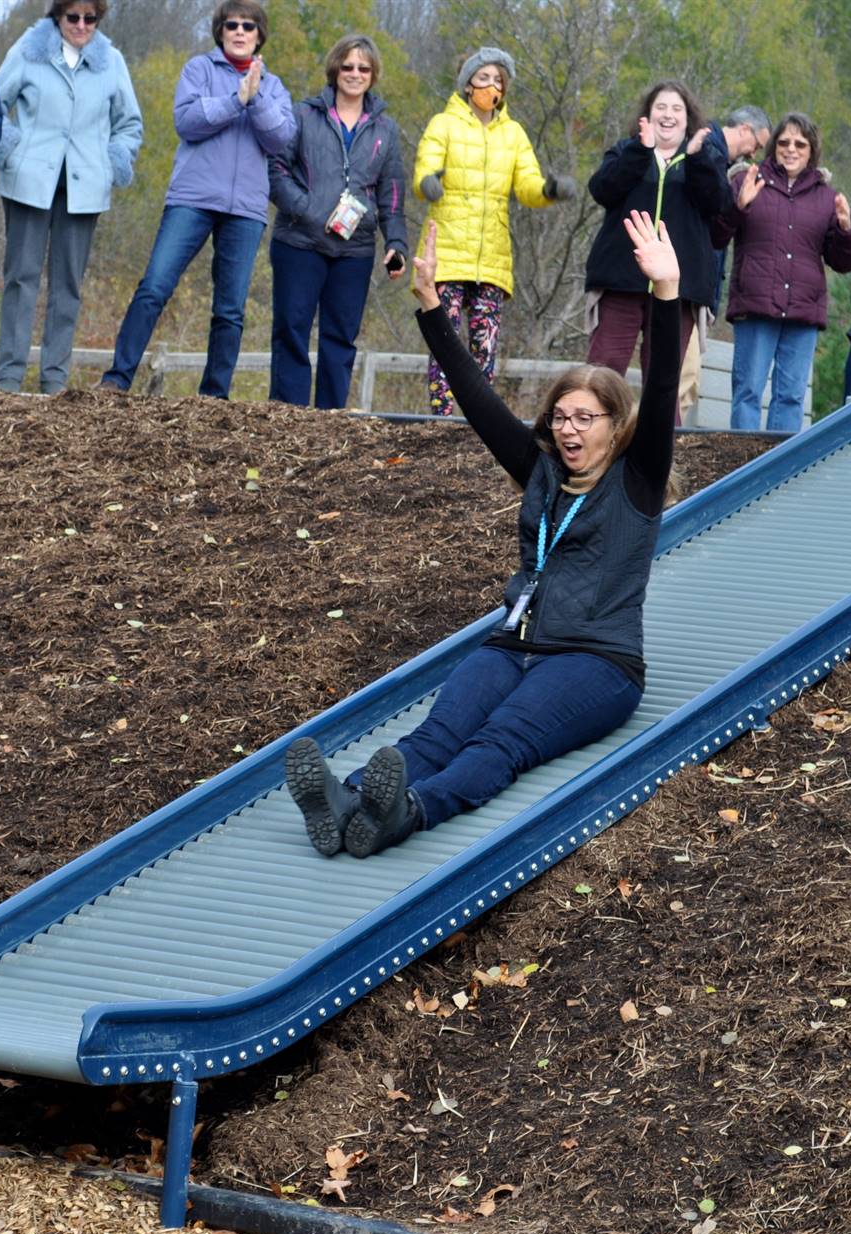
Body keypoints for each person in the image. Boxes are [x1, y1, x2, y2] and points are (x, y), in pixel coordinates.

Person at [284, 210, 680, 859]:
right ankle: (347, 801)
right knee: (432, 739)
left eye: (586, 417)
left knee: (498, 742)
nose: (571, 429)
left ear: (617, 426)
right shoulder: (542, 474)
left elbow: (662, 387)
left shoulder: (636, 482)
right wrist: (432, 306)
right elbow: (477, 400)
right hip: (513, 643)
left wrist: (665, 293)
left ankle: (407, 814)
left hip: (595, 661)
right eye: (561, 418)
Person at [99, 0, 292, 399]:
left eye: (249, 26)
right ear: (221, 31)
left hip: (246, 210)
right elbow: (186, 122)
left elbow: (281, 139)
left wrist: (255, 99)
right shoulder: (198, 70)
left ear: (259, 36)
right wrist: (235, 99)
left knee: (230, 310)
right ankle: (116, 380)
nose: (240, 32)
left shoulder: (273, 86)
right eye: (232, 24)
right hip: (192, 198)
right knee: (154, 287)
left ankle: (214, 396)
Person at [413, 46, 574, 417]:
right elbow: (425, 168)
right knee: (445, 337)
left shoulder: (513, 134)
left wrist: (548, 191)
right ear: (467, 83)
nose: (492, 85)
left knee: (485, 344)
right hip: (448, 250)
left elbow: (528, 185)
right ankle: (442, 416)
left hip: (492, 256)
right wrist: (428, 184)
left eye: (498, 79)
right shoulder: (443, 124)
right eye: (484, 77)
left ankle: (481, 420)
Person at [0, 0, 140, 394]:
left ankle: (55, 378)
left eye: (90, 18)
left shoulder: (112, 62)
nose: (81, 25)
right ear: (57, 16)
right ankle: (8, 377)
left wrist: (112, 162)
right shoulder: (27, 50)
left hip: (84, 187)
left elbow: (129, 123)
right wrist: (10, 150)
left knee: (68, 285)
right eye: (73, 16)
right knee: (20, 278)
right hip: (28, 182)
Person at [266, 34, 407, 408]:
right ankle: (288, 416)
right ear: (335, 69)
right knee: (291, 331)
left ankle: (331, 420)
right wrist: (310, 211)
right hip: (299, 242)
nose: (355, 74)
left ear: (373, 74)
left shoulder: (386, 130)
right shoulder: (302, 115)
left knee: (341, 338)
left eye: (363, 67)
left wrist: (396, 244)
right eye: (347, 66)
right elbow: (276, 171)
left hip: (355, 249)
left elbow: (392, 193)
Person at [717, 111, 851, 431]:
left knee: (791, 397)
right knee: (748, 392)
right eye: (783, 142)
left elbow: (843, 262)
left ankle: (782, 475)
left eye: (800, 143)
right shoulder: (748, 180)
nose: (791, 149)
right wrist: (738, 207)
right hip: (755, 306)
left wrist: (847, 227)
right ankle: (744, 472)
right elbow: (717, 235)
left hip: (803, 311)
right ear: (773, 147)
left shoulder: (826, 197)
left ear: (812, 151)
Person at [582, 81, 731, 388]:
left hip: (678, 287)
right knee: (602, 374)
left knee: (663, 382)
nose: (668, 115)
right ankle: (595, 432)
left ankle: (660, 438)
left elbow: (718, 204)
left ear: (688, 118)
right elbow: (602, 189)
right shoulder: (627, 150)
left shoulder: (704, 157)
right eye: (660, 107)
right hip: (620, 280)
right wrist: (640, 150)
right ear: (647, 115)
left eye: (676, 108)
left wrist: (697, 159)